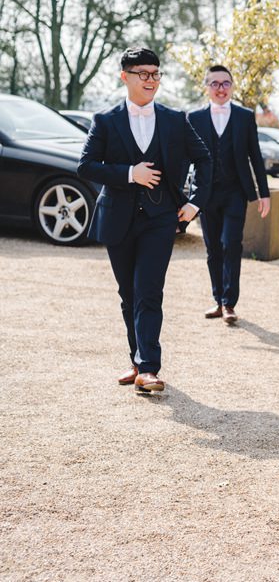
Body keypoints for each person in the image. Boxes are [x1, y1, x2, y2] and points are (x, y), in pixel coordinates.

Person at [77, 47, 211, 394]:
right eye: (143, 74)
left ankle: (150, 367)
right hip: (118, 218)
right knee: (128, 293)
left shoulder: (174, 119)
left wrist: (195, 202)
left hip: (160, 219)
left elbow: (205, 160)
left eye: (155, 73)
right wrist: (129, 174)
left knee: (149, 291)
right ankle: (137, 360)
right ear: (126, 77)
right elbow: (86, 166)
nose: (151, 80)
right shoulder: (105, 121)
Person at [188, 65, 272, 326]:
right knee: (213, 247)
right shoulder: (194, 117)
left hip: (236, 191)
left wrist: (263, 193)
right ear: (207, 87)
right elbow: (183, 158)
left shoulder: (245, 116)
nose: (221, 88)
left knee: (231, 244)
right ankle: (217, 299)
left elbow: (255, 156)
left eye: (226, 83)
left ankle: (229, 303)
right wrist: (182, 197)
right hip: (206, 193)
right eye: (215, 83)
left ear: (232, 86)